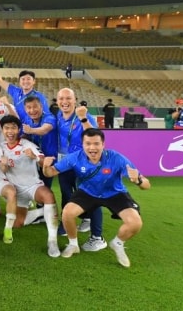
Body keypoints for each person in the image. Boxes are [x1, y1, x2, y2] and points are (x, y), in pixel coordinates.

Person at [43, 128, 151, 267]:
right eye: (88, 143)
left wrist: (138, 181)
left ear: (103, 144)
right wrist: (46, 167)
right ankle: (73, 244)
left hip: (114, 192)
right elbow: (50, 172)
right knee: (67, 213)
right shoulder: (74, 157)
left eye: (96, 143)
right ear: (82, 144)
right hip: (88, 192)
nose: (92, 148)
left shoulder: (116, 158)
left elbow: (146, 185)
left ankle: (117, 243)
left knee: (135, 223)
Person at [0, 115, 60, 257]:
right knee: (17, 224)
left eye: (13, 128)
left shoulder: (27, 144)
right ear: (2, 130)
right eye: (6, 128)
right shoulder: (0, 147)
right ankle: (41, 213)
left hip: (32, 186)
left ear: (18, 130)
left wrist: (35, 157)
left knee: (48, 195)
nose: (10, 131)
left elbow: (43, 160)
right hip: (16, 191)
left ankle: (52, 241)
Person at [55, 87, 105, 251]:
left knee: (91, 196)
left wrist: (83, 118)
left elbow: (95, 136)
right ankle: (68, 223)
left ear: (75, 100)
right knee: (66, 194)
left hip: (84, 163)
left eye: (68, 98)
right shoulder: (58, 115)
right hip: (65, 162)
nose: (65, 102)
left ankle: (97, 237)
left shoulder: (84, 116)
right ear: (57, 101)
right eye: (61, 98)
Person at [0, 55, 49, 124]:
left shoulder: (39, 96)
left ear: (34, 81)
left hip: (33, 128)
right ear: (19, 82)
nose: (26, 81)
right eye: (23, 79)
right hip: (18, 126)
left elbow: (46, 116)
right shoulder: (16, 91)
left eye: (28, 79)